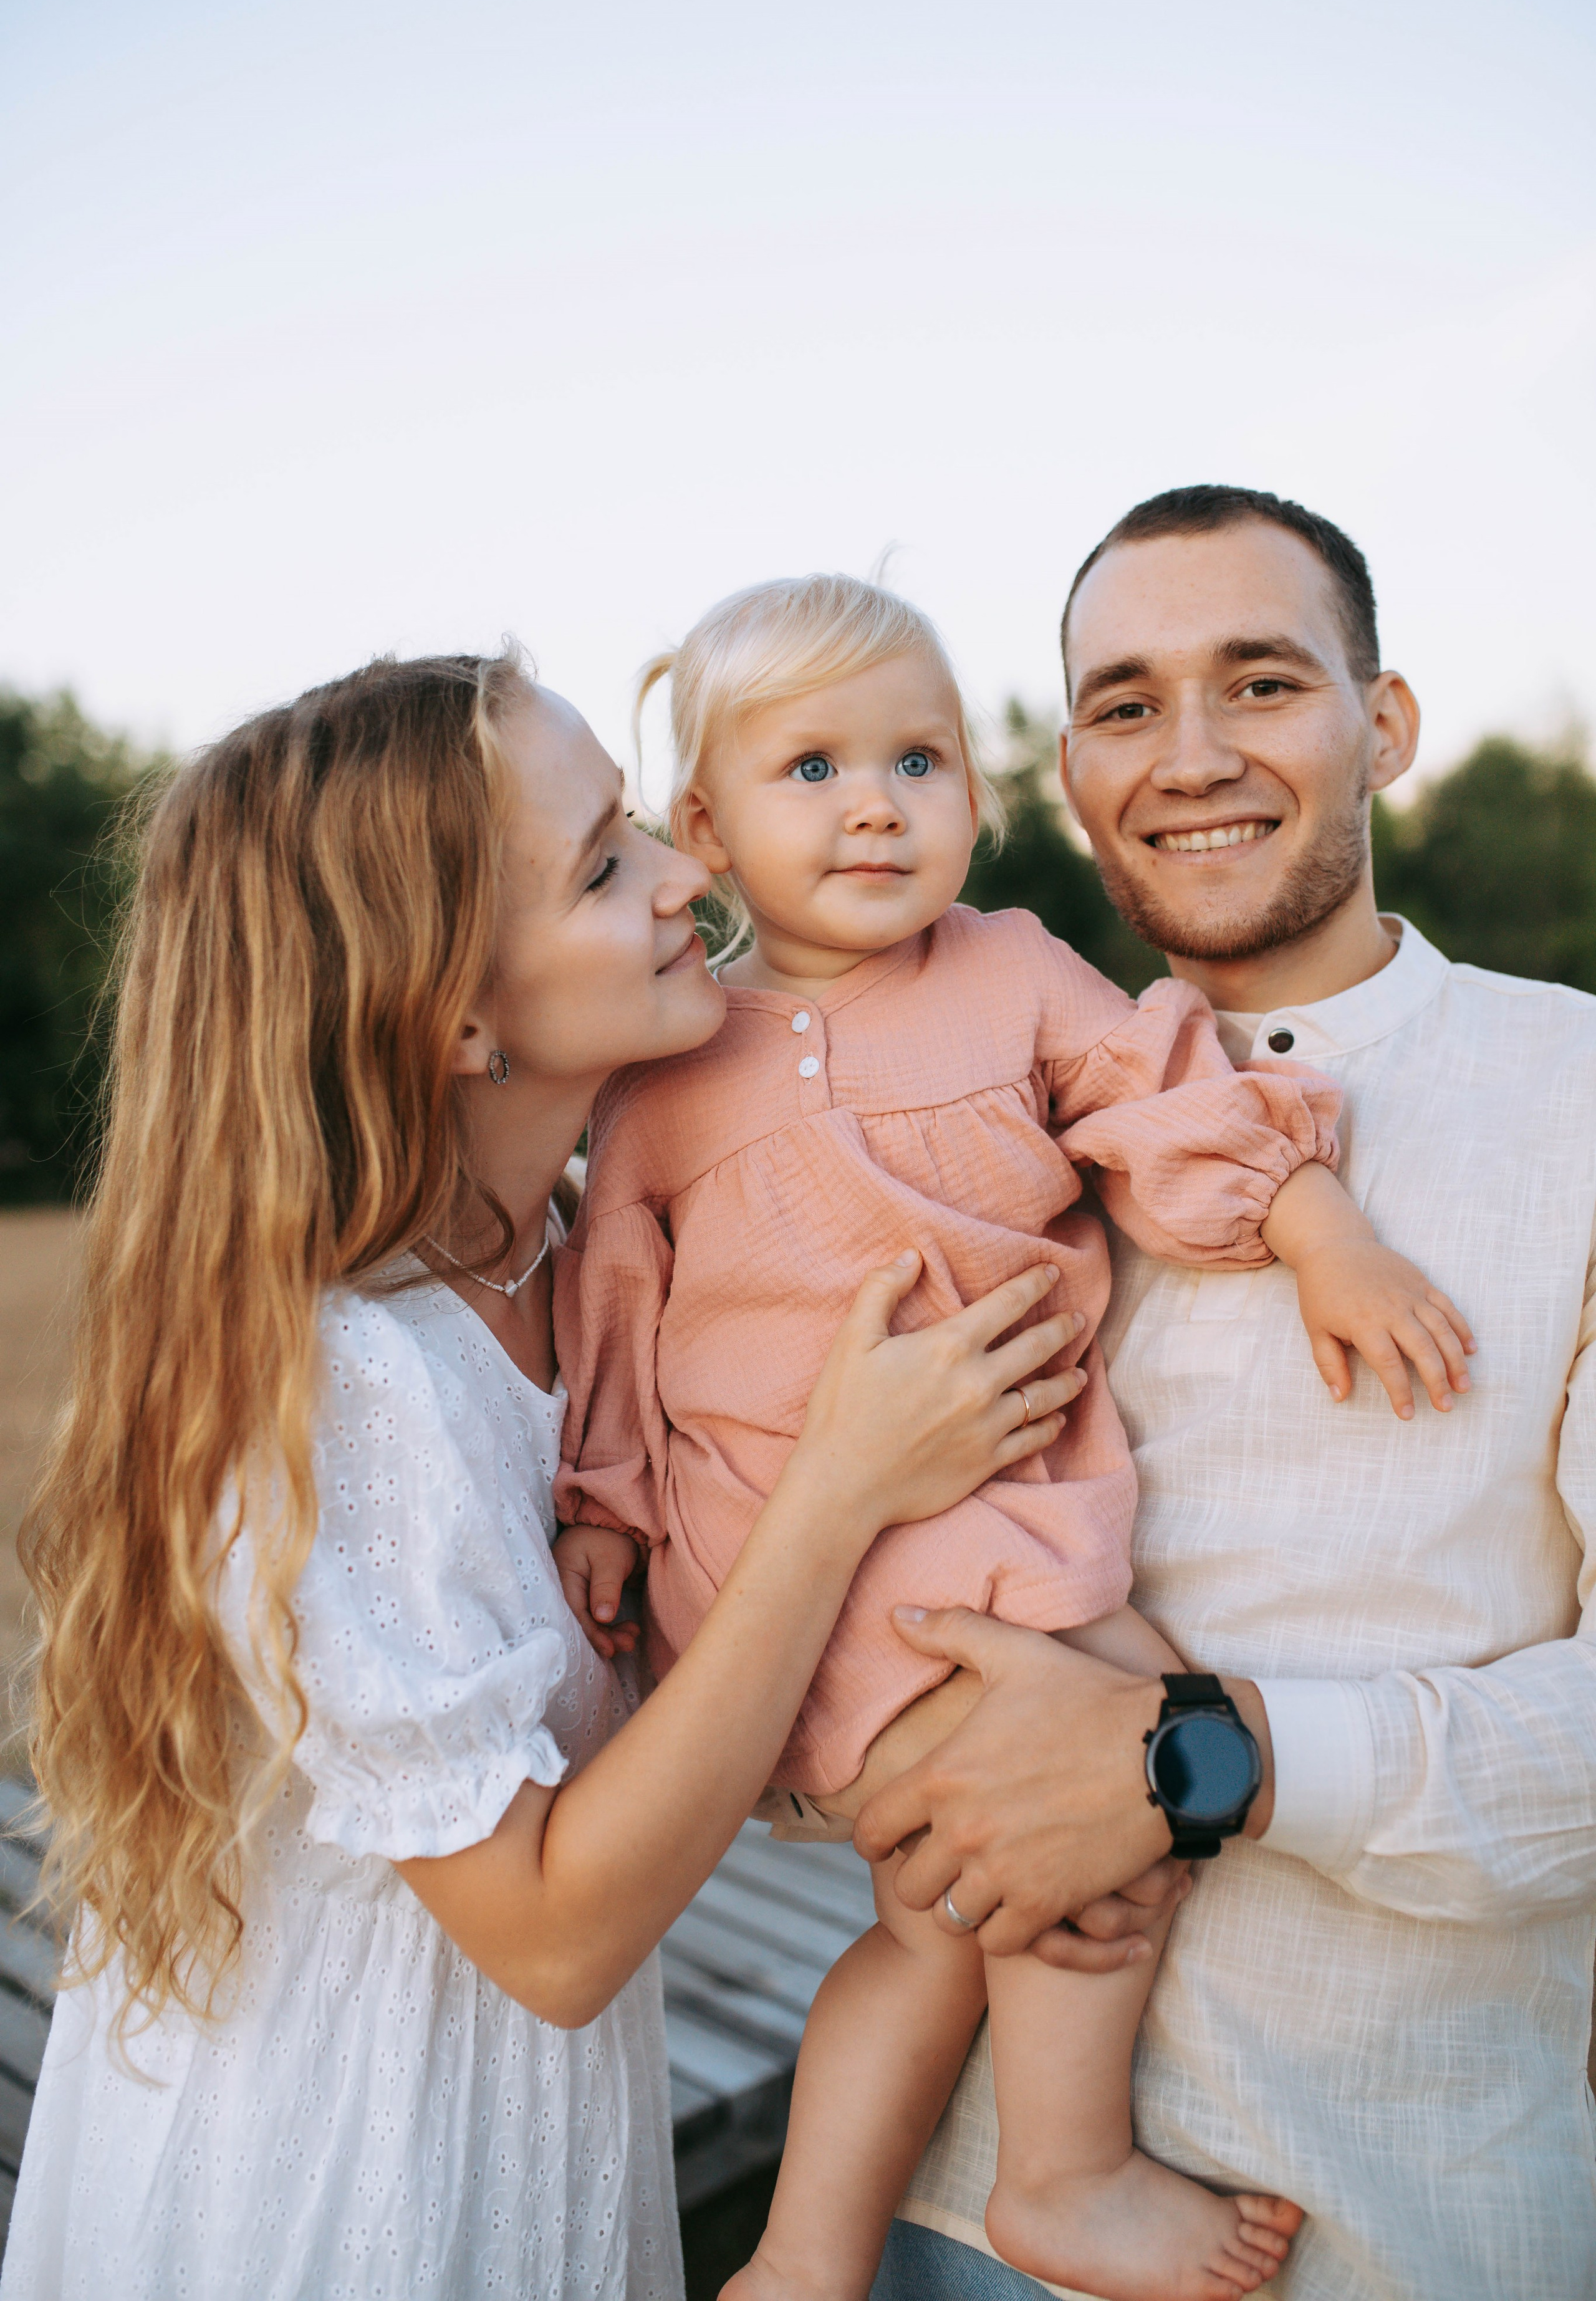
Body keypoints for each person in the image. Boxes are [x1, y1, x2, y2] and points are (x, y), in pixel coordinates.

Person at [4, 651, 1087, 2301]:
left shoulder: (593, 1265)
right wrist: (840, 1490)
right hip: (343, 2192)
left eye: (645, 829)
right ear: (447, 1009)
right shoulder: (330, 1386)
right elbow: (558, 1936)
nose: (690, 874)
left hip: (541, 2146)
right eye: (604, 867)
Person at [550, 575, 1473, 2301]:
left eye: (923, 759)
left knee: (976, 1892)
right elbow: (615, 1300)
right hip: (789, 1567)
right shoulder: (668, 1064)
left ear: (984, 796)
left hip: (1003, 1530)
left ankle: (808, 2258)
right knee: (1100, 1781)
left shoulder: (1015, 973)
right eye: (811, 769)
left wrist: (1311, 1226)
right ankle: (1062, 2171)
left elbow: (1165, 1090)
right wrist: (603, 1507)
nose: (879, 802)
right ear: (706, 827)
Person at [858, 486, 1596, 2301]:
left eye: (1260, 683)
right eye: (1123, 705)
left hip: (1405, 2217)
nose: (1188, 756)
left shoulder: (1577, 1102)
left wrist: (1207, 1762)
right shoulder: (967, 1137)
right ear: (1071, 767)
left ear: (1386, 724)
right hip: (965, 2215)